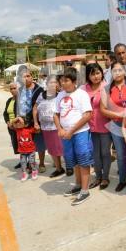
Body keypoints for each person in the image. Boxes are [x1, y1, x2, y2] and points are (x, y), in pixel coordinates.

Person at [54, 68, 94, 206]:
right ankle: (78, 185)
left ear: (74, 81)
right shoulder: (60, 95)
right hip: (66, 134)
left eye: (66, 80)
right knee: (74, 161)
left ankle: (85, 190)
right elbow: (56, 114)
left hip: (80, 133)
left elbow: (87, 115)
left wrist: (71, 130)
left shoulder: (82, 94)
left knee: (83, 161)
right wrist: (59, 128)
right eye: (61, 81)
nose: (63, 83)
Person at [100, 62, 126, 193]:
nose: (117, 73)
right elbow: (103, 110)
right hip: (115, 125)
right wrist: (118, 114)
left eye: (120, 70)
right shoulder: (106, 89)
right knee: (120, 154)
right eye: (114, 71)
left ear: (125, 72)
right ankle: (122, 180)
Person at [83, 63, 112, 190]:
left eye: (98, 73)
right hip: (89, 127)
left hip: (105, 125)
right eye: (92, 74)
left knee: (105, 153)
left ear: (102, 73)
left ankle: (105, 177)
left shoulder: (107, 87)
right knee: (95, 154)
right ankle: (98, 177)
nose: (96, 76)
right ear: (88, 76)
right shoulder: (83, 89)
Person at [14, 71, 46, 172]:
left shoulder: (39, 90)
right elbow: (17, 105)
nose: (26, 78)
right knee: (26, 144)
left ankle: (41, 163)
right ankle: (30, 164)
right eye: (24, 77)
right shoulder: (20, 90)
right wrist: (17, 119)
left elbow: (42, 105)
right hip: (24, 122)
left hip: (36, 121)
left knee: (39, 143)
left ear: (32, 77)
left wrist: (38, 121)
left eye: (28, 76)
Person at [34, 76, 65, 177]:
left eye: (55, 82)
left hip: (58, 127)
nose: (52, 84)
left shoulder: (61, 95)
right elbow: (35, 108)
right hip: (45, 127)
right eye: (50, 82)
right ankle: (59, 168)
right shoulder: (40, 95)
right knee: (51, 149)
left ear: (57, 85)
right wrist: (35, 122)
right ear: (46, 84)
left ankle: (69, 167)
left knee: (61, 148)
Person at [4, 83, 21, 168]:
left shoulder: (21, 100)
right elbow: (5, 113)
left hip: (19, 126)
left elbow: (21, 114)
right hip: (11, 127)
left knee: (23, 144)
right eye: (11, 89)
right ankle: (22, 161)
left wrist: (14, 122)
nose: (13, 90)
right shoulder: (9, 100)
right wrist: (8, 122)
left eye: (14, 88)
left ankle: (28, 162)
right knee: (16, 144)